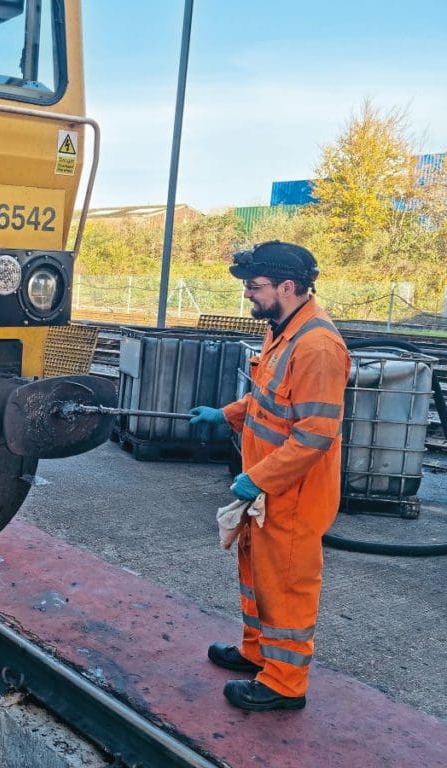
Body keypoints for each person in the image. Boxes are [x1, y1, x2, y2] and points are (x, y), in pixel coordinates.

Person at [189, 241, 350, 712]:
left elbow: (315, 434)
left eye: (254, 287)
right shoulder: (283, 329)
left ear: (287, 286)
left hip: (292, 493)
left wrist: (260, 478)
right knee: (256, 573)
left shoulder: (318, 346)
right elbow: (269, 401)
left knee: (286, 584)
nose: (248, 296)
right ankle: (257, 651)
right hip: (267, 486)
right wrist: (227, 414)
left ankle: (284, 682)